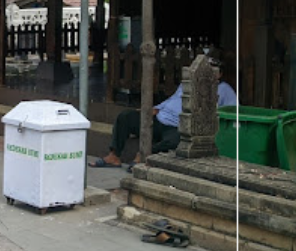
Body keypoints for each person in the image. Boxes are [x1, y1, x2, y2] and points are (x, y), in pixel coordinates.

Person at [92, 58, 237, 168]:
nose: (207, 73)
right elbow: (173, 99)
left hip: (179, 126)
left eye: (213, 71)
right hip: (160, 118)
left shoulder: (224, 89)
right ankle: (114, 156)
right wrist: (156, 108)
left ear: (219, 74)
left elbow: (234, 109)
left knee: (176, 141)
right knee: (125, 117)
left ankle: (144, 156)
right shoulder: (188, 83)